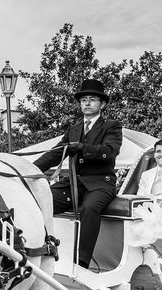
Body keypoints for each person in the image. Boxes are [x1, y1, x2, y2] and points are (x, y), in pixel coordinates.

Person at [34, 79, 122, 269]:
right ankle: (39, 251)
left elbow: (110, 151)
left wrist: (83, 148)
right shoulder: (73, 129)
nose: (87, 103)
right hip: (73, 183)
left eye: (92, 99)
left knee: (90, 208)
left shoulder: (112, 126)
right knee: (41, 200)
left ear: (102, 104)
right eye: (83, 100)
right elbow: (56, 153)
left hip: (101, 184)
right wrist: (29, 170)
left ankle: (81, 264)